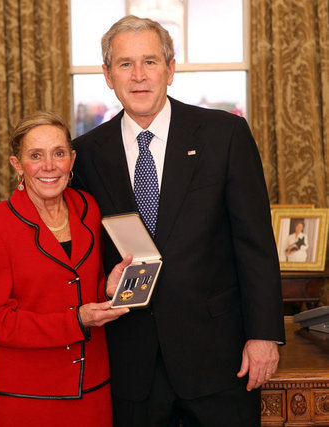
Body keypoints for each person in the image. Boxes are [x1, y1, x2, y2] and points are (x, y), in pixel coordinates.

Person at [71, 15, 285, 426]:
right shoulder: (87, 154)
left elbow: (255, 243)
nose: (138, 76)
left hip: (219, 360)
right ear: (107, 74)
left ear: (170, 69)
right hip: (130, 365)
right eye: (125, 64)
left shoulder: (224, 135)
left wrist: (263, 336)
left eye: (150, 62)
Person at [0, 111, 132, 427]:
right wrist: (75, 321)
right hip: (28, 397)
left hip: (92, 390)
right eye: (36, 156)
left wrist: (106, 288)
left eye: (58, 153)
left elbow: (78, 284)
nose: (49, 166)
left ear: (72, 159)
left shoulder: (89, 208)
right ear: (17, 165)